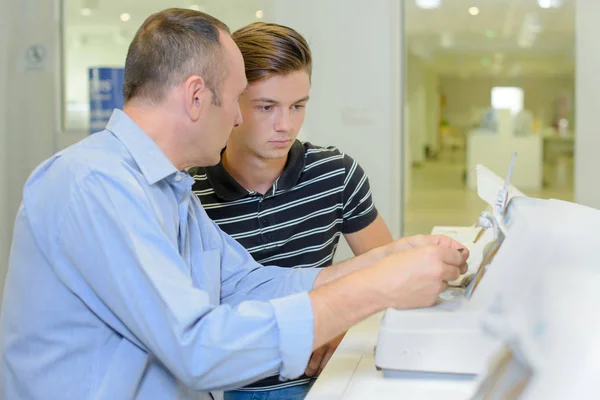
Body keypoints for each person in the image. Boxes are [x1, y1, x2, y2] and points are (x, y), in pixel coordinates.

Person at [0, 8, 468, 400]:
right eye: (241, 100)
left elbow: (248, 282)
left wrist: (384, 261)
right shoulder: (93, 184)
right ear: (197, 97)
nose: (241, 117)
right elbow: (198, 346)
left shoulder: (169, 189)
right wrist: (378, 289)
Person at [190, 22, 393, 399]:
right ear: (232, 102)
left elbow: (388, 275)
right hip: (233, 383)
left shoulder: (336, 174)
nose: (286, 126)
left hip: (325, 378)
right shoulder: (190, 193)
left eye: (298, 106)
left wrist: (344, 324)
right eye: (266, 107)